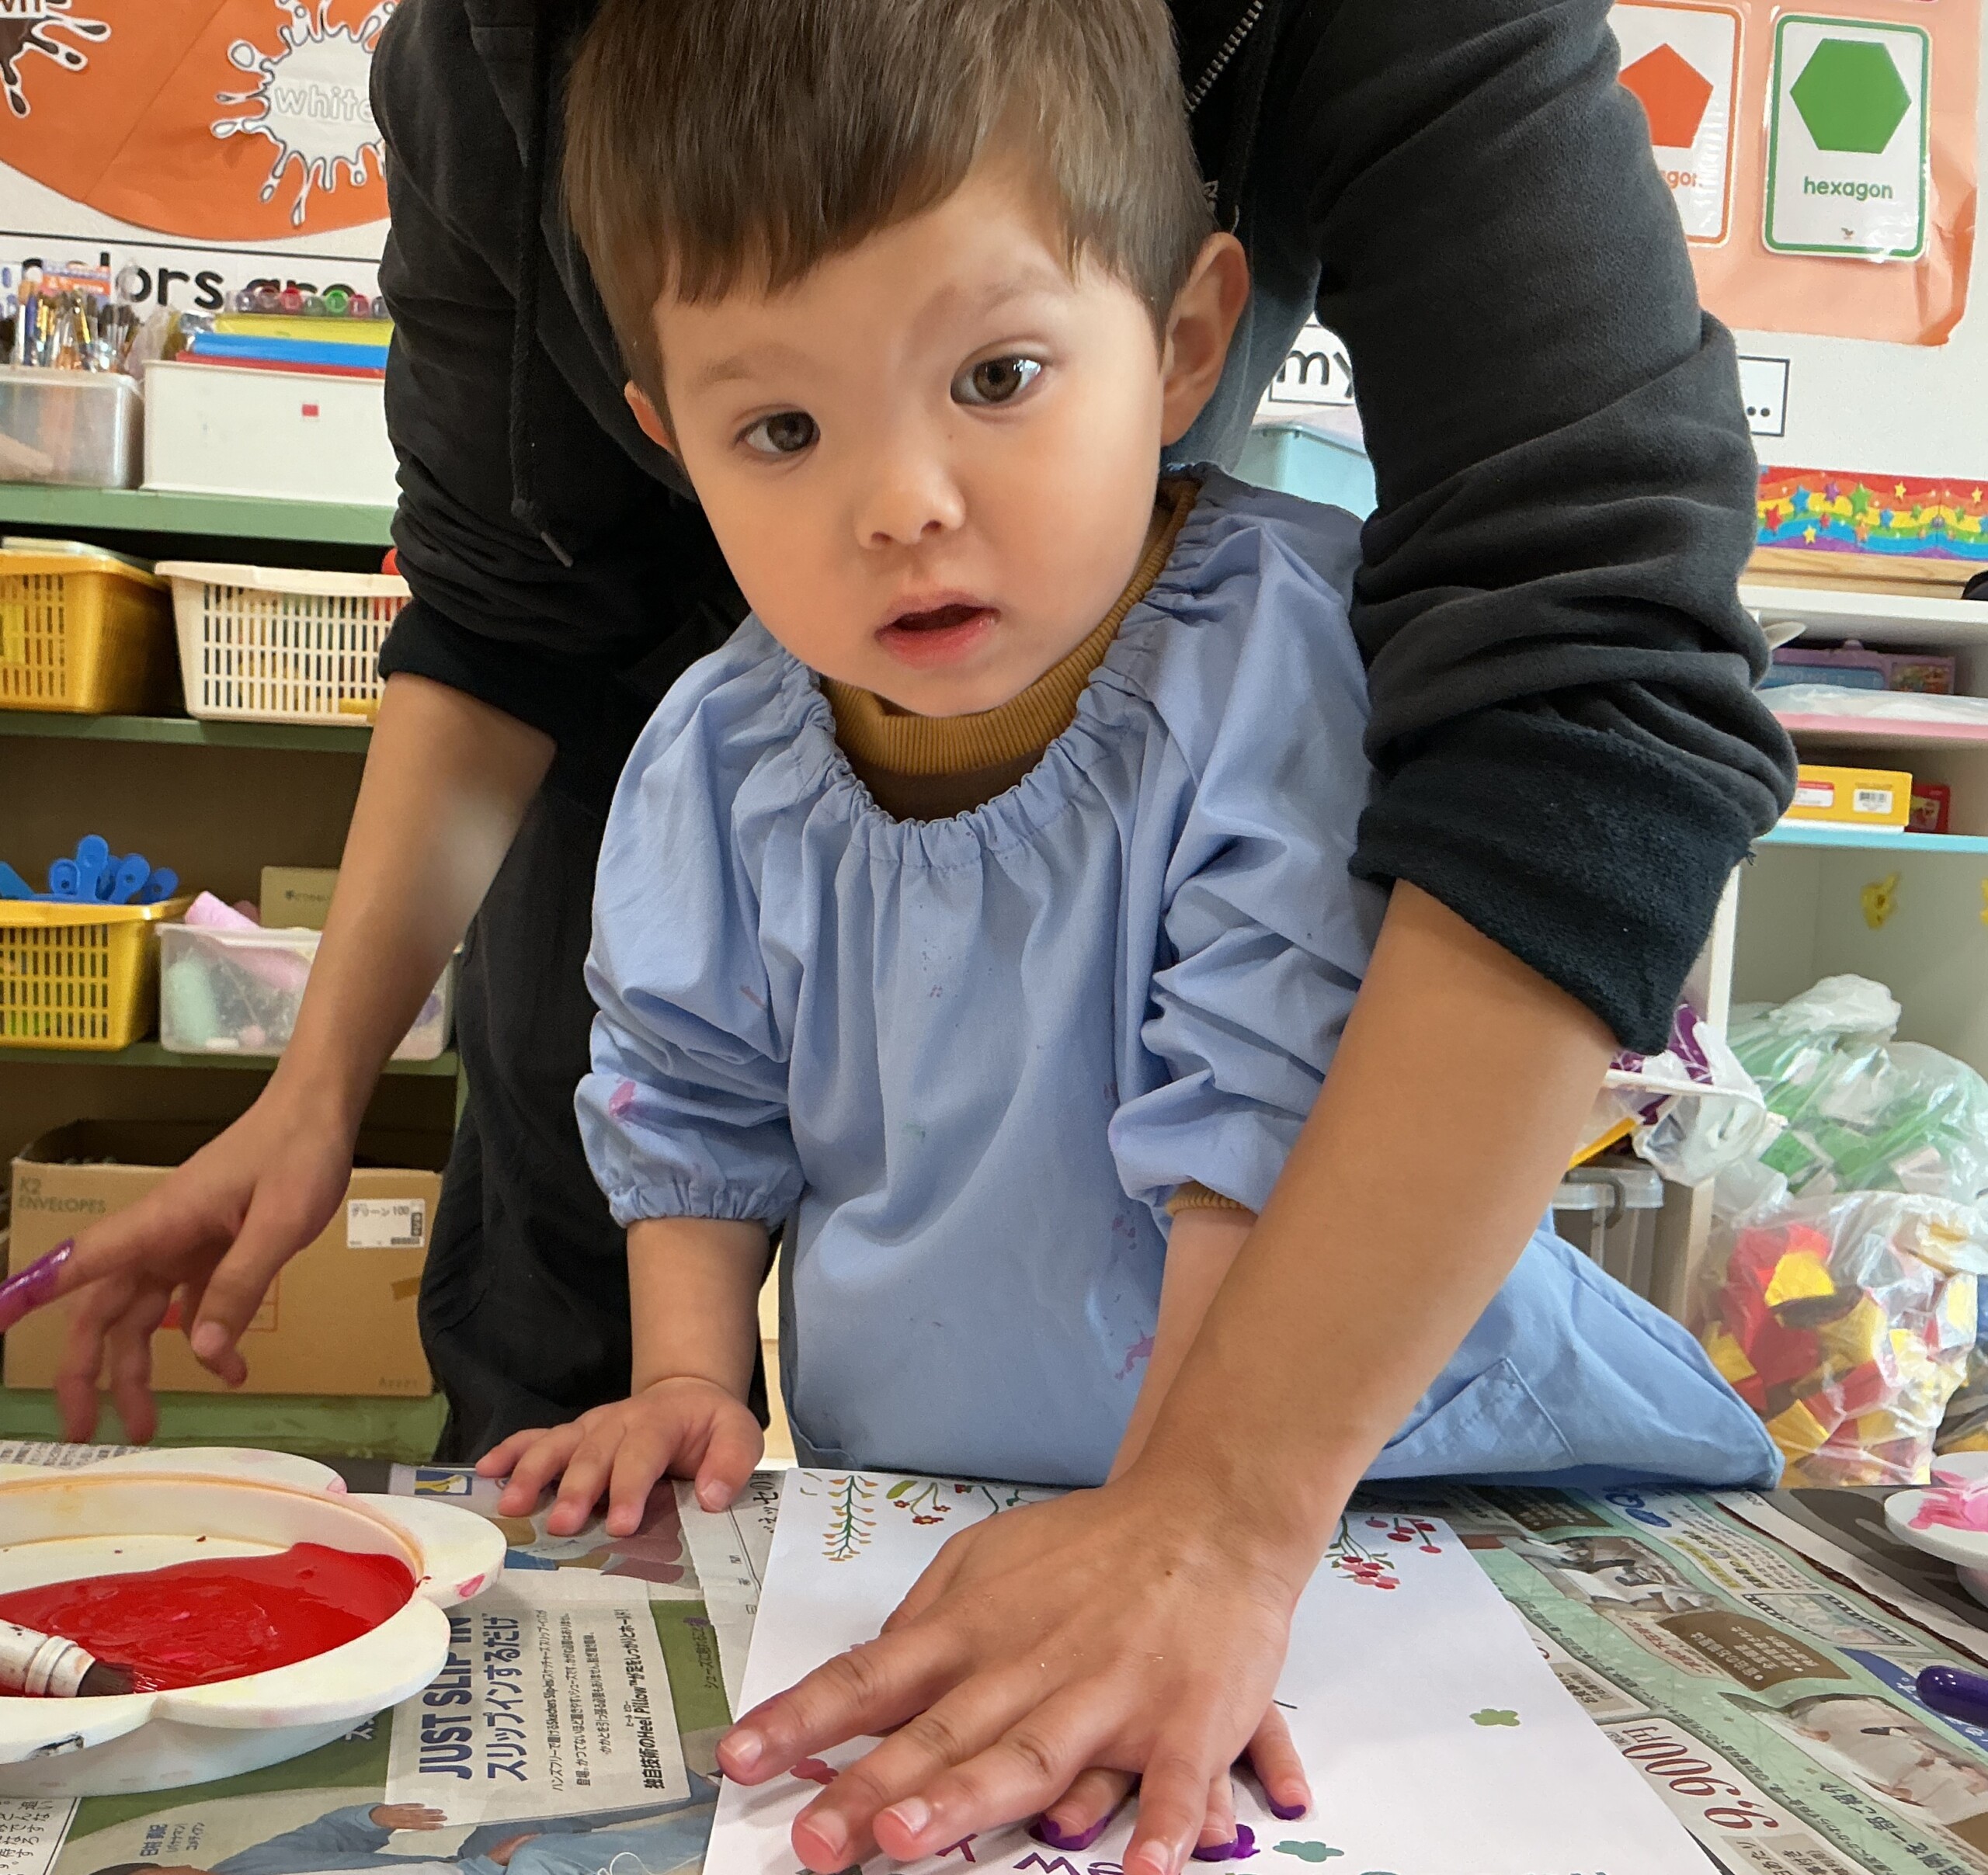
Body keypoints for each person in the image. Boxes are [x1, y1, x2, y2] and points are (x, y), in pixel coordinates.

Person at [11, 0, 1794, 1867]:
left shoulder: (1270, 667)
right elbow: (686, 1084)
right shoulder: (712, 743)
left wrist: (1196, 1520)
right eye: (780, 427)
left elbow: (1261, 1101)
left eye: (998, 377)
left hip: (1389, 1480)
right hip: (955, 1485)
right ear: (670, 440)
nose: (900, 506)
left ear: (1184, 340)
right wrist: (681, 1377)